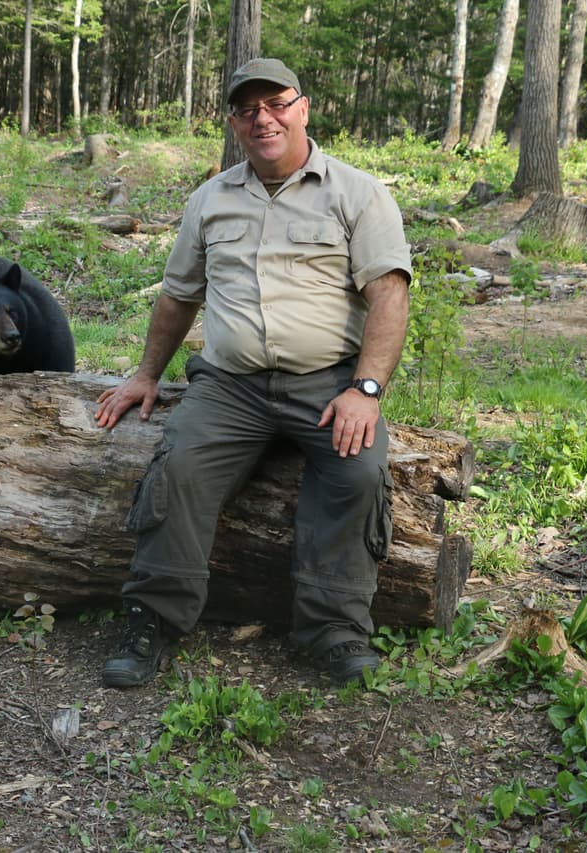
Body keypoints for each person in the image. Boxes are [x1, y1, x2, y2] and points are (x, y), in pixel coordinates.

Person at [95, 57, 411, 689]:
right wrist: (145, 374)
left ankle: (335, 631)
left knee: (358, 471)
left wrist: (366, 390)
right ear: (236, 123)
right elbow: (179, 296)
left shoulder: (358, 193)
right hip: (230, 384)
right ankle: (152, 621)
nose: (263, 119)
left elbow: (390, 295)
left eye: (276, 104)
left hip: (328, 382)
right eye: (248, 110)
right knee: (178, 466)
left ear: (303, 108)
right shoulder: (210, 200)